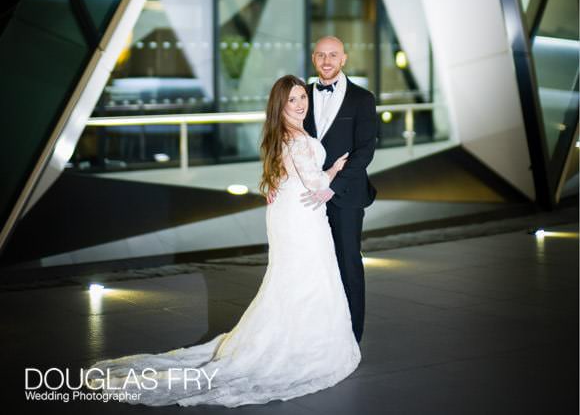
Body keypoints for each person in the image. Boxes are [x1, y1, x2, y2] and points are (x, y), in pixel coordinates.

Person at [85, 75, 361, 408]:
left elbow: (279, 177)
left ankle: (291, 337)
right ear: (280, 105)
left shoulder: (279, 136)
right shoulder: (299, 140)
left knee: (292, 279)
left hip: (287, 213)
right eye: (292, 100)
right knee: (308, 279)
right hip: (302, 216)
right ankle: (306, 347)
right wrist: (334, 170)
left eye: (303, 97)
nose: (300, 104)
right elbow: (316, 183)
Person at [302, 36, 378, 343]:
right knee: (313, 263)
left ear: (344, 59)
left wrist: (333, 186)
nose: (327, 60)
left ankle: (351, 337)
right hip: (307, 196)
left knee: (348, 262)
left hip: (345, 195)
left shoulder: (363, 98)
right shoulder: (301, 96)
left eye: (333, 55)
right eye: (321, 55)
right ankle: (318, 332)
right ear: (313, 58)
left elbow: (364, 152)